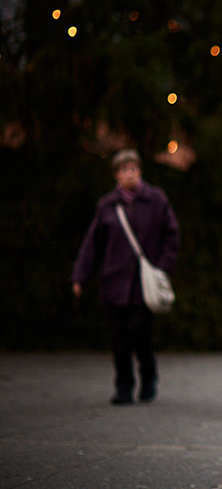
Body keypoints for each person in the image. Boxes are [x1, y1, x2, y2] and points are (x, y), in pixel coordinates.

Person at [71, 149, 180, 405]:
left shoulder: (156, 200)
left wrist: (162, 267)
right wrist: (79, 276)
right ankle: (123, 386)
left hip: (143, 284)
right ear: (116, 175)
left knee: (140, 333)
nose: (129, 174)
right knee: (118, 337)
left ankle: (148, 379)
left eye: (133, 169)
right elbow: (92, 244)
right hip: (114, 282)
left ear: (140, 171)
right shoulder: (107, 205)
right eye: (123, 170)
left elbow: (172, 234)